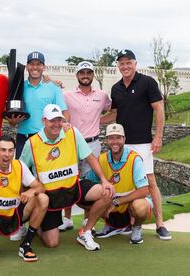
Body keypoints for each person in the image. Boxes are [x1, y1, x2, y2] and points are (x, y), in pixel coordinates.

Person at [20, 104, 115, 251]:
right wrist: (27, 195)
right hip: (49, 198)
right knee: (52, 242)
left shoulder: (72, 133)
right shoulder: (31, 144)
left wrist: (103, 179)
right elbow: (21, 172)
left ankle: (86, 231)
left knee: (107, 192)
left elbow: (90, 157)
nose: (57, 124)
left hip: (73, 187)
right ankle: (36, 223)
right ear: (44, 121)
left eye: (59, 120)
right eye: (52, 120)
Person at [101, 49, 171, 240]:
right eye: (121, 63)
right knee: (120, 182)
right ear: (118, 66)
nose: (125, 66)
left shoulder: (147, 82)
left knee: (149, 182)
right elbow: (114, 114)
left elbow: (159, 109)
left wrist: (158, 137)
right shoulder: (116, 88)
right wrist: (91, 120)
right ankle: (120, 224)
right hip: (121, 143)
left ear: (135, 63)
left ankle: (160, 224)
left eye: (128, 62)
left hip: (142, 143)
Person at [0, 136, 49, 262]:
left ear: (14, 152)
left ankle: (26, 245)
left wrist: (32, 191)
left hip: (14, 214)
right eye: (3, 150)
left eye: (10, 150)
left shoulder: (19, 165)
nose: (7, 154)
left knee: (43, 198)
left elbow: (40, 187)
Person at [59, 61, 112, 231]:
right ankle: (66, 218)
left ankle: (86, 218)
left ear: (93, 75)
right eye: (82, 73)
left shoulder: (102, 95)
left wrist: (98, 121)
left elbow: (113, 111)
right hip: (72, 143)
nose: (85, 76)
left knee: (89, 180)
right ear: (77, 76)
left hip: (93, 143)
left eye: (89, 73)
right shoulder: (66, 95)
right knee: (70, 179)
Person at [86, 123, 152, 244]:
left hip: (128, 206)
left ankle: (136, 228)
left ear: (124, 139)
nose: (114, 141)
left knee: (141, 207)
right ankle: (110, 226)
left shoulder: (134, 159)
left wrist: (116, 202)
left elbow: (144, 190)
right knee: (83, 197)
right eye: (111, 138)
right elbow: (88, 182)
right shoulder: (102, 159)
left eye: (118, 137)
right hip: (110, 206)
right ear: (106, 140)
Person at [7, 51, 69, 159]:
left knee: (45, 173)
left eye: (38, 64)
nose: (35, 67)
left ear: (43, 67)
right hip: (23, 137)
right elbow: (12, 119)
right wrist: (13, 122)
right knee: (23, 172)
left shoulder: (54, 87)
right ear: (26, 66)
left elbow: (64, 113)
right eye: (32, 64)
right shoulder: (20, 87)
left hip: (46, 137)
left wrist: (60, 130)